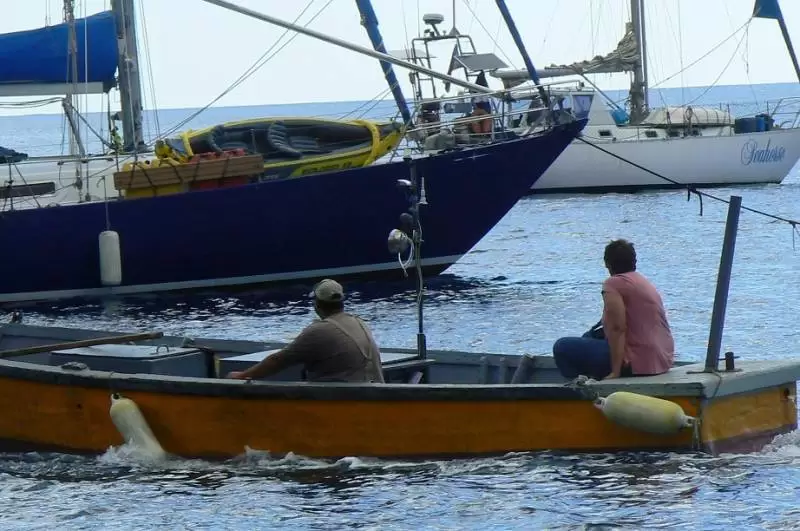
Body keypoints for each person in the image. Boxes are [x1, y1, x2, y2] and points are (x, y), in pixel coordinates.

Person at [552, 239, 675, 381]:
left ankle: (579, 386)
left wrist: (615, 372)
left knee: (562, 347)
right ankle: (591, 376)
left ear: (607, 263)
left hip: (636, 362)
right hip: (661, 359)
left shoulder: (613, 284)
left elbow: (618, 327)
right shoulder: (642, 281)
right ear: (634, 261)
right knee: (590, 335)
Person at [226, 279, 385, 383]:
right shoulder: (359, 322)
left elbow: (278, 361)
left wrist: (242, 376)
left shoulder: (319, 331)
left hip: (342, 401)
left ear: (317, 304)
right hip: (372, 394)